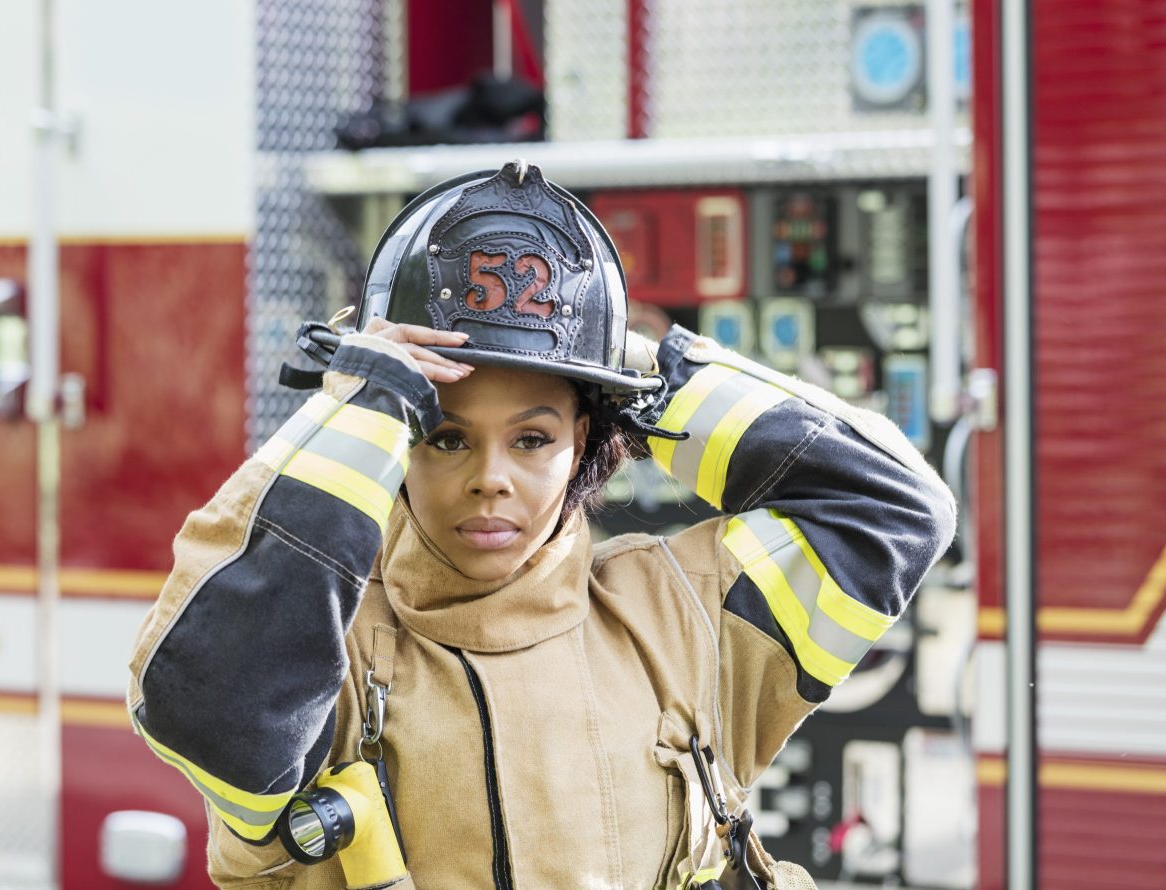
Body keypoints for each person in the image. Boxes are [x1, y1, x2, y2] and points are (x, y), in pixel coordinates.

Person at [126, 162, 955, 890]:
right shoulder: (322, 655)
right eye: (445, 437)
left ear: (584, 441)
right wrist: (361, 405)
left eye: (532, 439)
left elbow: (894, 508)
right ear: (397, 446)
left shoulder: (688, 619)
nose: (491, 478)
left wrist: (643, 373)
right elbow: (198, 704)